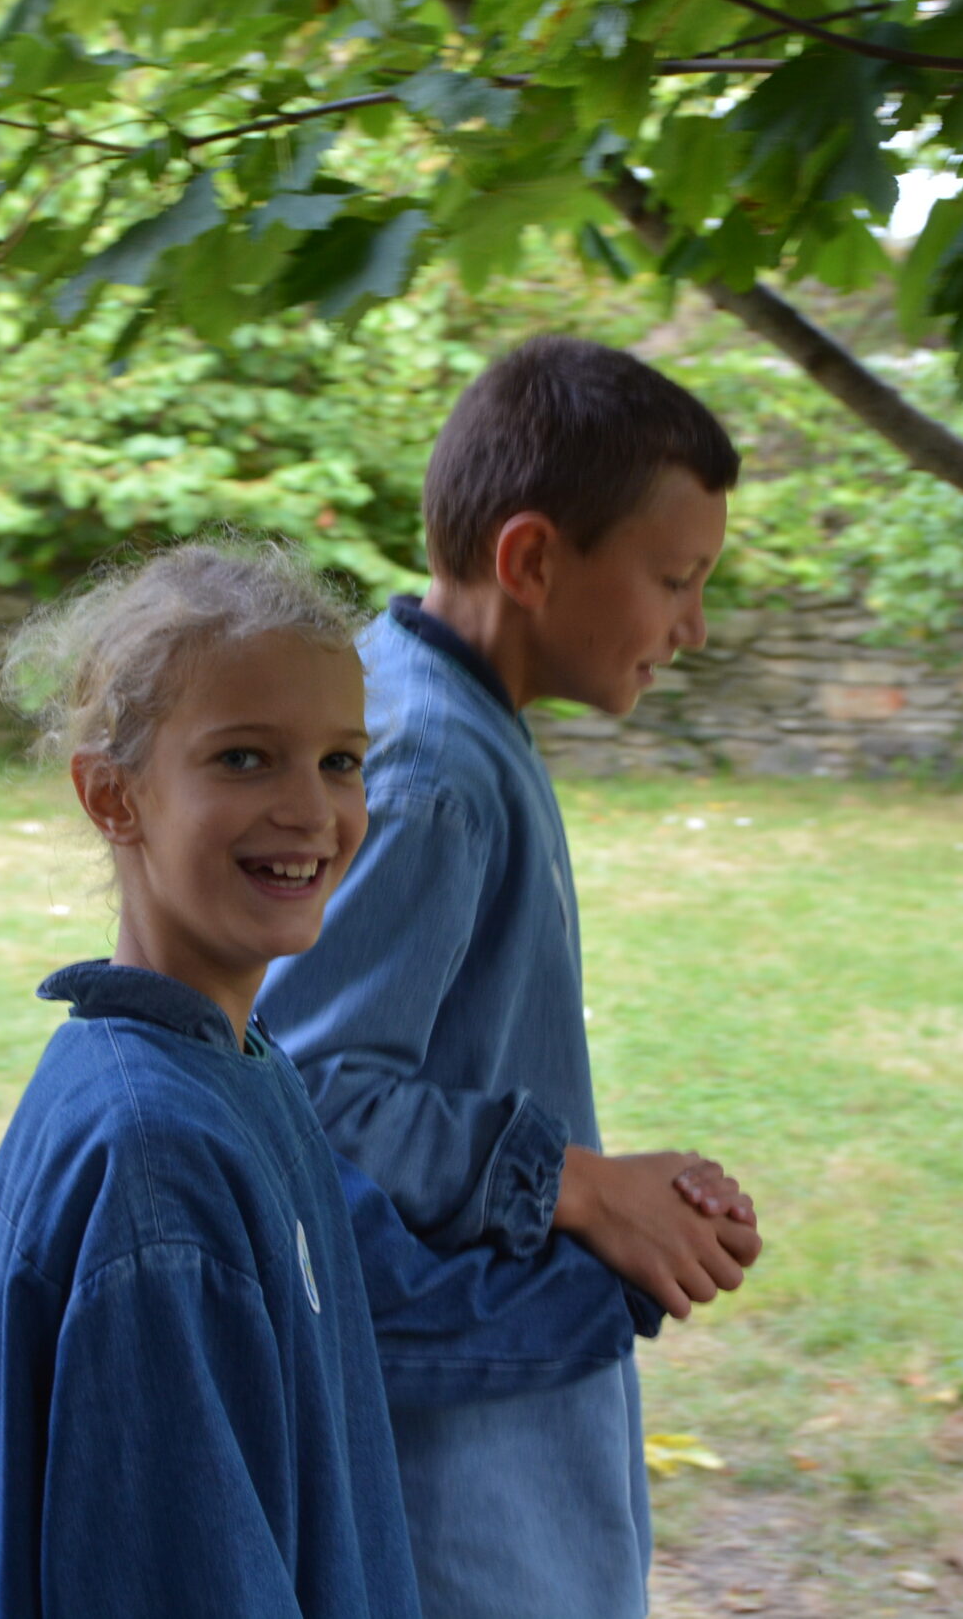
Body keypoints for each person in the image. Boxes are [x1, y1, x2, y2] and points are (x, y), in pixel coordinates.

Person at [0, 543, 746, 1619]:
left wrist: (610, 1282)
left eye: (340, 760)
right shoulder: (158, 1160)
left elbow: (365, 1315)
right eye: (243, 759)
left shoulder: (244, 1074)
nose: (310, 809)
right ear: (112, 794)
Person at [257, 335, 760, 1619]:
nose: (693, 627)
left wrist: (618, 1193)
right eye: (674, 580)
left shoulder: (436, 712)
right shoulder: (428, 769)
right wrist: (577, 1184)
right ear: (531, 560)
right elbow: (304, 1093)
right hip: (454, 1492)